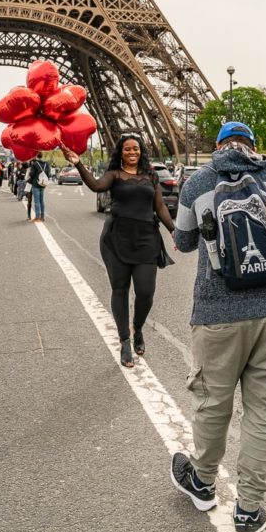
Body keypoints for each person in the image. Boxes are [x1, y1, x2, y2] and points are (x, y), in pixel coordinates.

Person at [171, 121, 266, 532]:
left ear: (219, 146)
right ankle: (248, 509)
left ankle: (204, 484)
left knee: (212, 402)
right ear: (254, 146)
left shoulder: (199, 181)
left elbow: (184, 242)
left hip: (218, 312)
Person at [61, 134, 175, 368]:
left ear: (141, 151)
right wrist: (77, 162)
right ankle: (124, 340)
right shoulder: (114, 175)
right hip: (117, 238)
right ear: (120, 153)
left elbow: (160, 206)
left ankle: (138, 328)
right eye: (127, 150)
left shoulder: (150, 176)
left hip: (146, 239)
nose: (132, 152)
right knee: (120, 289)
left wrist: (174, 231)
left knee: (145, 292)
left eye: (136, 149)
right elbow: (95, 186)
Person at [27, 152, 51, 222]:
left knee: (37, 201)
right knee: (41, 201)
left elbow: (31, 174)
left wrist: (30, 172)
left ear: (36, 156)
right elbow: (48, 174)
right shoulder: (46, 164)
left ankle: (37, 217)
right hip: (43, 184)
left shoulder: (35, 164)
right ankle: (42, 217)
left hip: (36, 184)